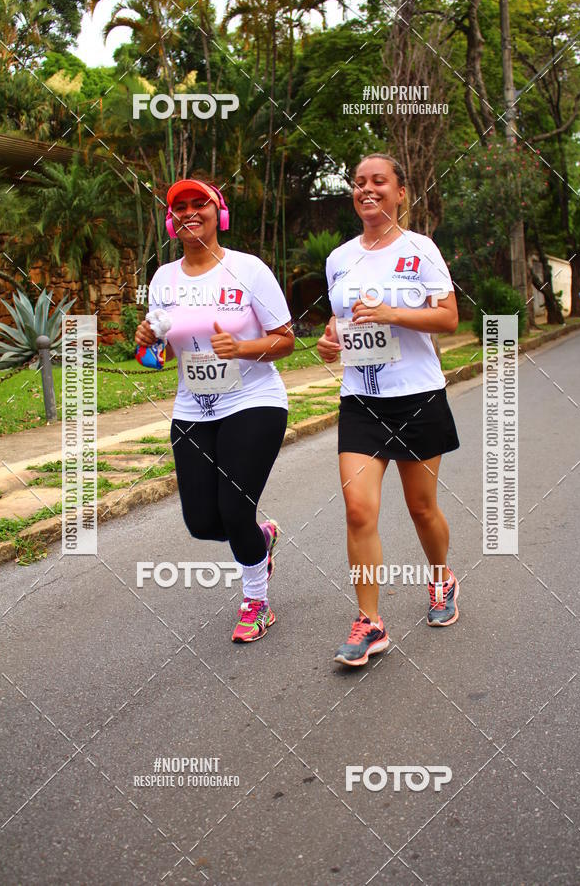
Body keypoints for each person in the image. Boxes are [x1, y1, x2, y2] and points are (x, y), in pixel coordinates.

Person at [135, 177, 294, 643]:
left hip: (254, 401)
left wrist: (242, 348)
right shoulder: (163, 279)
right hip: (193, 408)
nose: (189, 212)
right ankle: (260, 540)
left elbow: (285, 339)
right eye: (179, 206)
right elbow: (158, 356)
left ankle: (256, 602)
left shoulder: (248, 270)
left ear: (217, 212)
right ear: (171, 221)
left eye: (198, 204)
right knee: (203, 522)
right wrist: (146, 343)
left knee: (234, 507)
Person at [317, 153, 460, 666]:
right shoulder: (339, 258)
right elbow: (339, 327)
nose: (367, 189)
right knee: (359, 510)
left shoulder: (420, 250)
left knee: (422, 508)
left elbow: (449, 317)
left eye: (379, 182)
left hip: (418, 395)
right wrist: (329, 344)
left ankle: (441, 579)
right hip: (361, 398)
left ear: (401, 193)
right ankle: (370, 621)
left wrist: (392, 312)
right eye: (359, 183)